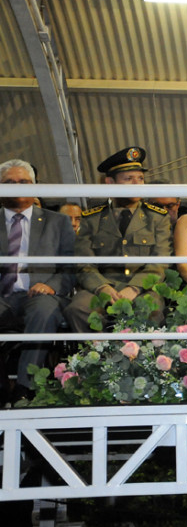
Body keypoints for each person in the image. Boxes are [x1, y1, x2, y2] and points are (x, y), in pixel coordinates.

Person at [64, 146, 172, 333]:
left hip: (143, 288)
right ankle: (96, 358)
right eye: (128, 179)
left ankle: (141, 360)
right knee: (78, 309)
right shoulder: (92, 218)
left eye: (140, 178)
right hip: (102, 286)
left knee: (150, 309)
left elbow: (160, 262)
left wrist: (135, 288)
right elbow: (84, 263)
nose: (137, 184)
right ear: (110, 182)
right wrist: (101, 287)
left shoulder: (157, 218)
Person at [0, 160, 75, 402]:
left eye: (24, 182)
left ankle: (25, 388)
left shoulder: (58, 221)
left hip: (40, 294)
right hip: (3, 296)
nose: (17, 187)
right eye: (9, 183)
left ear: (35, 186)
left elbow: (71, 265)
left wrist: (51, 285)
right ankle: (2, 389)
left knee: (45, 310)